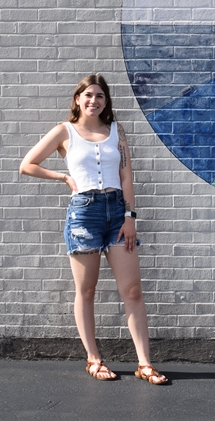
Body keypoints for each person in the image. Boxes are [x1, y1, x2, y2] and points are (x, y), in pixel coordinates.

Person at [20, 74, 167, 384]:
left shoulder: (116, 131)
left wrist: (130, 217)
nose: (93, 100)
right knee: (86, 291)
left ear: (106, 101)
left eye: (100, 96)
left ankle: (144, 364)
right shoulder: (64, 131)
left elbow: (126, 176)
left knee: (133, 290)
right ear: (78, 99)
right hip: (83, 214)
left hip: (117, 214)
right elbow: (27, 164)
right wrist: (62, 178)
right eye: (88, 95)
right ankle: (94, 359)